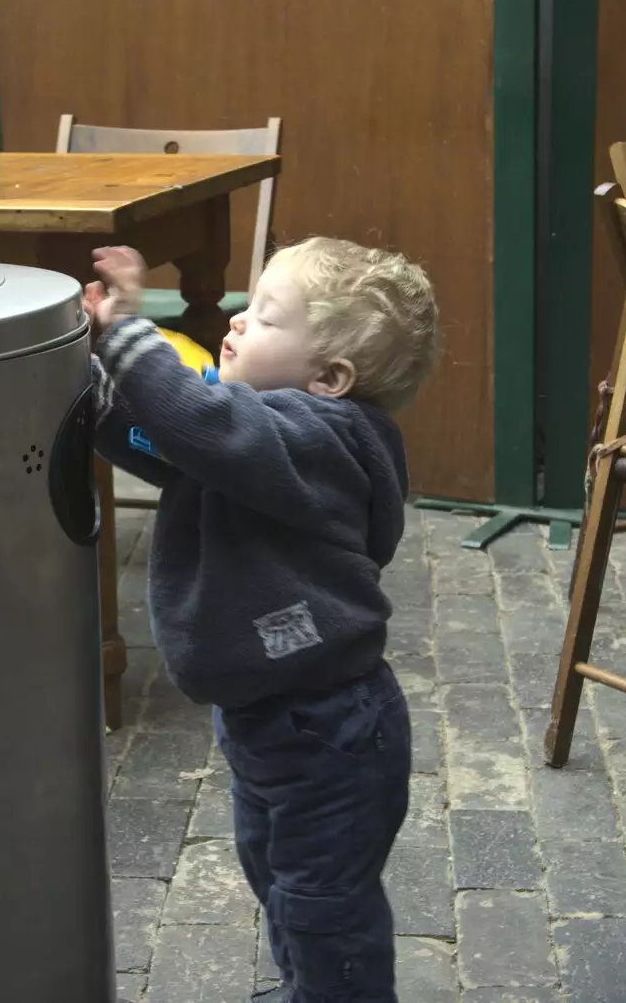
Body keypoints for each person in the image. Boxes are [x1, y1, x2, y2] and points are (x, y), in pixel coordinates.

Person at [88, 237, 440, 1002]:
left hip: (331, 729)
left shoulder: (324, 438)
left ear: (329, 378)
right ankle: (308, 987)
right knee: (277, 875)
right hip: (268, 719)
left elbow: (202, 423)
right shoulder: (259, 436)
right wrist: (96, 402)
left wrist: (128, 331)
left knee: (324, 906)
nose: (240, 320)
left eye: (267, 316)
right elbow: (168, 443)